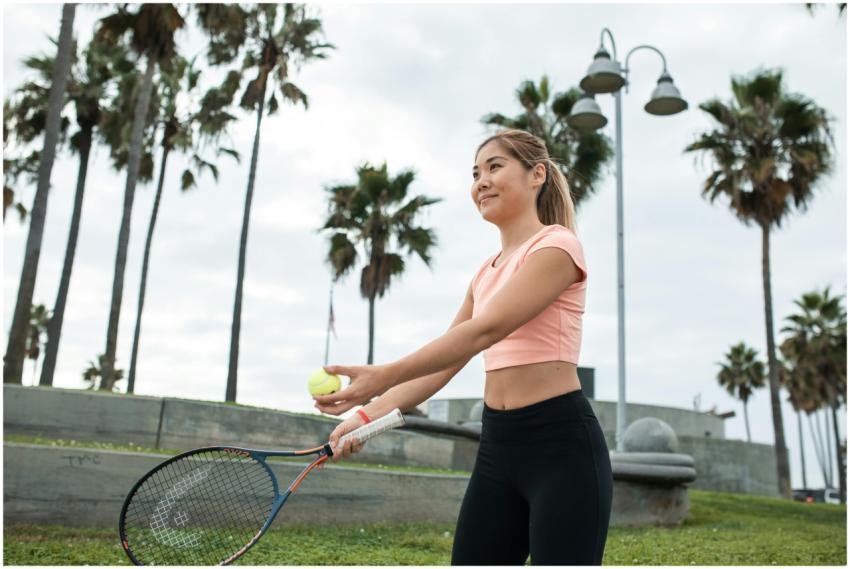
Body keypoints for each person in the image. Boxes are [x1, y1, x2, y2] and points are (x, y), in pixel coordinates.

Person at [312, 129, 613, 565]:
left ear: (537, 175)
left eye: (495, 167)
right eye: (475, 173)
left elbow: (483, 332)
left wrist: (382, 375)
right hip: (497, 448)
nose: (481, 182)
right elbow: (446, 362)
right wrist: (364, 415)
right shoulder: (484, 273)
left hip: (562, 447)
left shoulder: (558, 247)